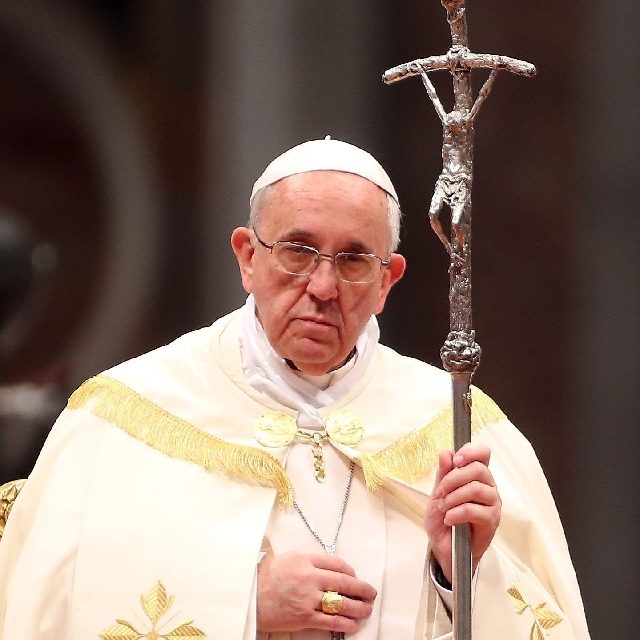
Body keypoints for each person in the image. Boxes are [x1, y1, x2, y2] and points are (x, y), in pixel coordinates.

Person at [0, 138, 589, 640]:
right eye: (297, 251)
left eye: (355, 259)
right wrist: (246, 607)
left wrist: (459, 573)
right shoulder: (123, 417)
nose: (323, 286)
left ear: (388, 281)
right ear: (247, 256)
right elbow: (54, 607)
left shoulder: (460, 429)